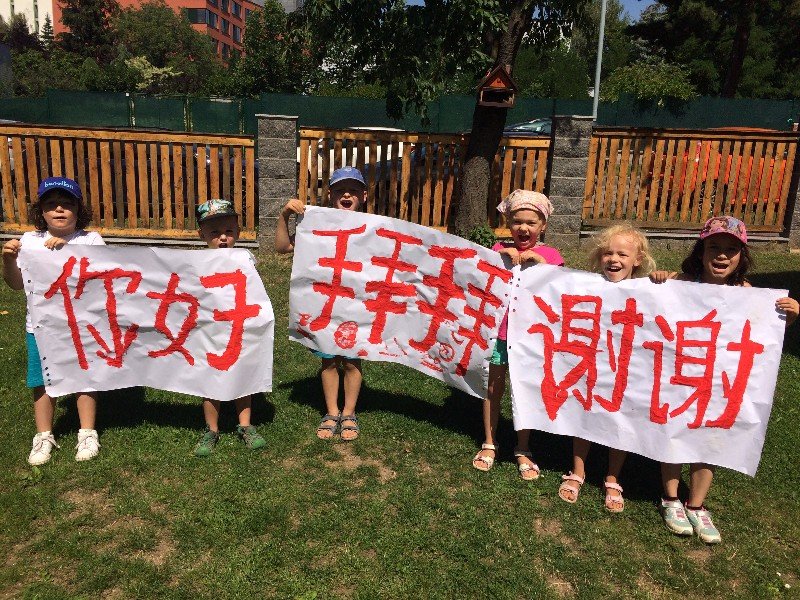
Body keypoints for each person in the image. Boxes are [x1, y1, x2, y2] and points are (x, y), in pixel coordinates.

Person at [650, 215, 798, 543]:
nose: (721, 255)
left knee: (710, 439)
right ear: (700, 252)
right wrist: (660, 279)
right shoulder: (682, 282)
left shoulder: (746, 293)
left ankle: (696, 505)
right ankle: (671, 499)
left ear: (741, 257)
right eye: (713, 247)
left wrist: (788, 316)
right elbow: (653, 303)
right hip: (680, 376)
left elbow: (765, 332)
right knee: (672, 432)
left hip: (719, 383)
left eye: (731, 250)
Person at [2, 177, 104, 465]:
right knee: (41, 379)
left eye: (67, 203)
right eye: (51, 204)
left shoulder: (91, 240)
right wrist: (8, 260)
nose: (59, 209)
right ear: (41, 211)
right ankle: (44, 435)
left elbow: (101, 275)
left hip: (82, 326)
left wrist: (68, 250)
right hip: (41, 327)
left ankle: (87, 432)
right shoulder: (29, 241)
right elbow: (16, 284)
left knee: (85, 376)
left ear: (78, 209)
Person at [557, 223, 656, 512]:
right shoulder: (587, 285)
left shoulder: (649, 290)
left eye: (623, 255)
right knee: (584, 411)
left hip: (627, 368)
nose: (614, 260)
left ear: (637, 259)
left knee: (621, 417)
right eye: (608, 253)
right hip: (592, 363)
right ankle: (578, 470)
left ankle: (612, 477)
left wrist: (665, 280)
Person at [472, 189, 565, 480]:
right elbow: (479, 273)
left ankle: (523, 447)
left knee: (524, 390)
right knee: (493, 388)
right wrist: (499, 256)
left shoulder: (551, 256)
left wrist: (542, 266)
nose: (523, 228)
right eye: (517, 221)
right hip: (499, 334)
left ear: (543, 226)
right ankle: (490, 441)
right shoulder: (498, 249)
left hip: (530, 338)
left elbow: (562, 288)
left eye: (531, 223)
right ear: (508, 223)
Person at [275, 166, 366, 441]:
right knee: (328, 359)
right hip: (324, 303)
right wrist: (285, 215)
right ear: (330, 195)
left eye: (352, 190)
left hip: (356, 304)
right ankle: (332, 411)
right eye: (340, 190)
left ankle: (349, 412)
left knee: (352, 360)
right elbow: (282, 247)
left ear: (363, 196)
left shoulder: (373, 228)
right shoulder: (316, 225)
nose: (346, 195)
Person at [193, 199, 267, 457]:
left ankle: (245, 425)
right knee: (209, 378)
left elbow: (254, 290)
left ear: (238, 232)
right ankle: (211, 429)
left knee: (241, 375)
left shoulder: (245, 258)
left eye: (228, 231)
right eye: (214, 232)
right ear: (201, 234)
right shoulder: (197, 262)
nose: (222, 238)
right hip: (209, 329)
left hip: (238, 326)